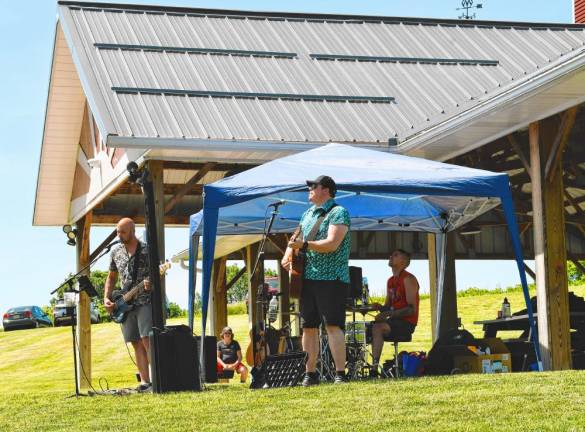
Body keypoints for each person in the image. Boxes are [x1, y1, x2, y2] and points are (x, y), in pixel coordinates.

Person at [282, 175, 351, 385]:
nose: (309, 190)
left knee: (333, 325)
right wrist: (287, 254)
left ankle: (340, 374)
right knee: (308, 327)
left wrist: (303, 246)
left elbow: (332, 244)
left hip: (331, 277)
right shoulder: (307, 214)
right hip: (307, 278)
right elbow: (296, 237)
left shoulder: (339, 212)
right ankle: (310, 374)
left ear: (326, 190)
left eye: (313, 186)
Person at [104, 217, 152, 392]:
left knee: (147, 339)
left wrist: (151, 283)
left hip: (144, 301)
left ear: (132, 231)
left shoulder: (147, 249)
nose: (119, 235)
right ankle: (145, 382)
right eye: (117, 231)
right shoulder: (115, 252)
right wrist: (106, 298)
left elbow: (157, 273)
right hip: (124, 303)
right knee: (135, 342)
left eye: (123, 232)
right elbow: (111, 277)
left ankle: (159, 380)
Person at [371, 249, 420, 373]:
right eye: (391, 254)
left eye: (396, 255)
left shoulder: (408, 279)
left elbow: (411, 309)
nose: (391, 256)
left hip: (406, 323)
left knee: (377, 328)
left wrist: (387, 314)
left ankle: (374, 368)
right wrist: (379, 308)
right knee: (368, 328)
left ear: (404, 261)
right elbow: (388, 306)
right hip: (393, 321)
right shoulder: (390, 281)